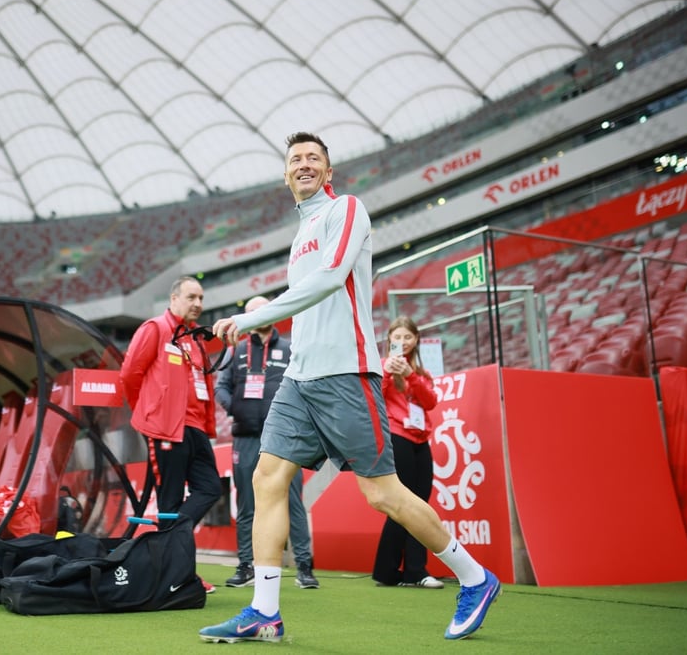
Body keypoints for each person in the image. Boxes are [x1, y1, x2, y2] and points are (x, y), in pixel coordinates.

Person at [200, 132, 500, 643]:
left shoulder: (347, 210)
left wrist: (257, 316)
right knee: (267, 479)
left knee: (382, 493)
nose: (304, 164)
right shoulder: (299, 235)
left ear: (328, 171)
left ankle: (475, 577)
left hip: (345, 374)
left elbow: (332, 275)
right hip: (299, 378)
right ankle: (264, 611)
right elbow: (306, 296)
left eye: (313, 158)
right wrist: (270, 313)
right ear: (286, 176)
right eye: (295, 159)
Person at [119, 275, 223, 592]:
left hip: (194, 429)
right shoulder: (155, 329)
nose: (198, 304)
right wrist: (150, 412)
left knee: (210, 489)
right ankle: (175, 576)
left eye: (201, 298)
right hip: (165, 428)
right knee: (170, 500)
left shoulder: (196, 340)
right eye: (191, 297)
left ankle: (173, 561)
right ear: (174, 298)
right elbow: (129, 375)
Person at [215, 296, 318, 590]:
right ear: (245, 317)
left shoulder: (290, 348)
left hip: (285, 437)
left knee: (293, 501)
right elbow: (220, 387)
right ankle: (246, 564)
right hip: (245, 437)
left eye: (264, 310)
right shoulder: (236, 351)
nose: (259, 315)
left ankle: (305, 567)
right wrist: (236, 407)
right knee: (246, 502)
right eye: (252, 312)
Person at [371, 316, 443, 589]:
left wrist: (411, 376)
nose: (402, 342)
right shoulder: (381, 366)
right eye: (397, 337)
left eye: (407, 337)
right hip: (397, 437)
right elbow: (376, 397)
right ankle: (391, 570)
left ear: (416, 340)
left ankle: (413, 571)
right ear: (389, 339)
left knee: (421, 503)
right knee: (402, 504)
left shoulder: (420, 371)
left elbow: (430, 401)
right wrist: (389, 372)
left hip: (420, 438)